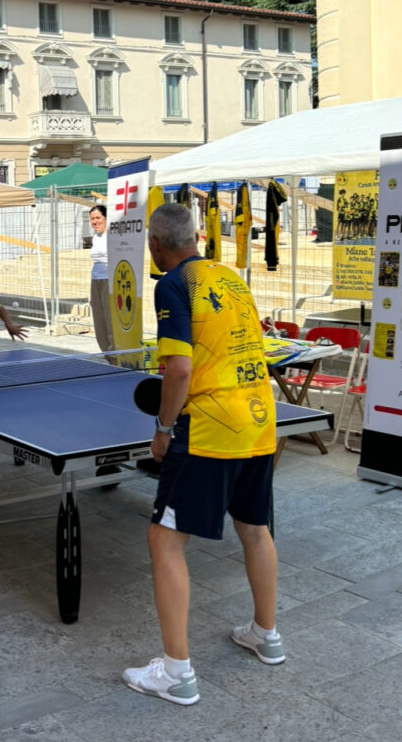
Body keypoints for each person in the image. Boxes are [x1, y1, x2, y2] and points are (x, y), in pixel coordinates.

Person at [121, 204, 281, 707]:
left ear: (155, 245)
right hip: (258, 419)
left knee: (163, 538)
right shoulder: (230, 277)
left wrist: (164, 429)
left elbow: (181, 370)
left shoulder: (171, 285)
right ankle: (266, 635)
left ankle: (177, 673)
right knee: (255, 529)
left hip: (210, 426)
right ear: (194, 236)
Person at [88, 205, 115, 353]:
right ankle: (107, 355)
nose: (95, 221)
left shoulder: (112, 235)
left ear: (106, 218)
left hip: (108, 280)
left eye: (98, 218)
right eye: (92, 219)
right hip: (96, 280)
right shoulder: (95, 237)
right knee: (99, 322)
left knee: (110, 320)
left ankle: (116, 355)